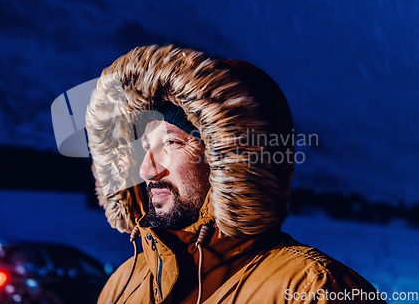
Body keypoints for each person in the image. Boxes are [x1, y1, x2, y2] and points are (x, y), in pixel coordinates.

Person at [85, 45, 385, 303]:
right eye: (145, 147)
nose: (147, 169)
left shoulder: (314, 289)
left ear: (230, 160)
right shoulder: (123, 285)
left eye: (171, 143)